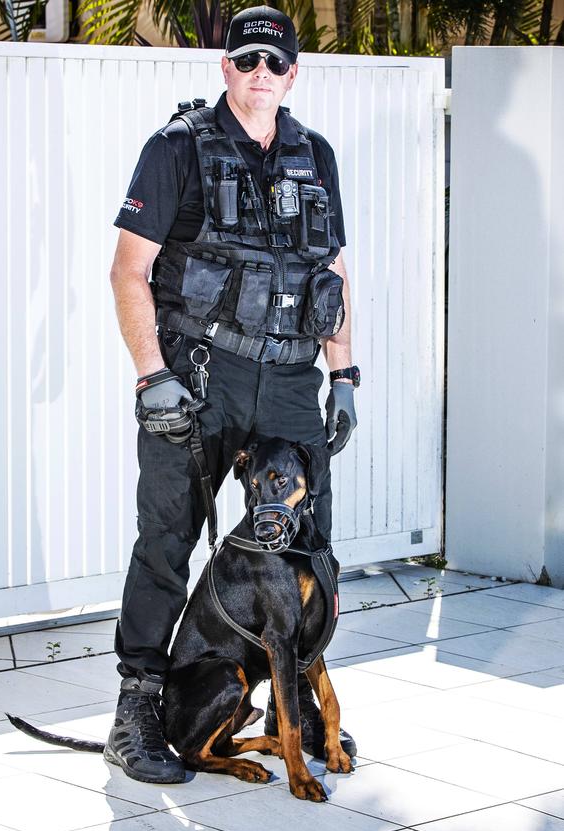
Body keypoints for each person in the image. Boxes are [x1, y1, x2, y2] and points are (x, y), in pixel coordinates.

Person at [106, 5, 359, 784]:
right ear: (225, 68)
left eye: (274, 63)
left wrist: (344, 374)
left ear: (292, 73)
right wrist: (153, 374)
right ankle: (138, 711)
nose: (260, 74)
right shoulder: (176, 148)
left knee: (306, 544)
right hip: (200, 376)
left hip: (289, 383)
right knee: (168, 539)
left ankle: (305, 714)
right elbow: (128, 270)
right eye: (246, 61)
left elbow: (337, 274)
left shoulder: (314, 155)